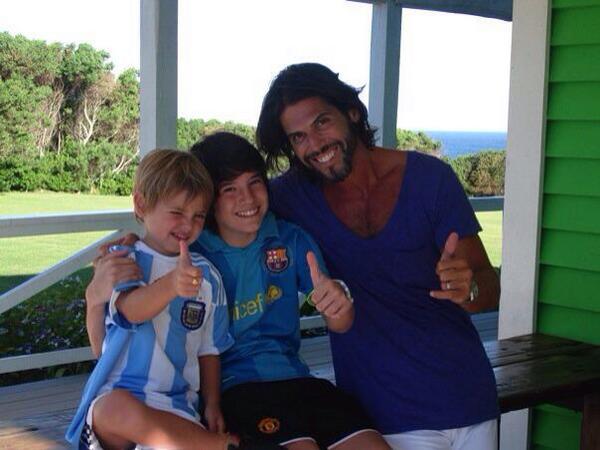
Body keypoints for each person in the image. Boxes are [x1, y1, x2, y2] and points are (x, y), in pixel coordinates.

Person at [85, 134, 391, 450]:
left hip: (294, 378)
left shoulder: (285, 241)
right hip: (237, 388)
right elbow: (155, 252)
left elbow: (340, 321)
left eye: (255, 182)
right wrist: (128, 253)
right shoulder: (191, 252)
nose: (247, 199)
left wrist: (339, 302)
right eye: (229, 189)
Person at [255, 63, 501, 450]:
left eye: (322, 122)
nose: (314, 144)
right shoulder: (291, 197)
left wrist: (467, 288)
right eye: (298, 137)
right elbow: (223, 205)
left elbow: (488, 285)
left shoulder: (430, 179)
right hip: (385, 416)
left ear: (352, 112)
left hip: (469, 398)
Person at [66, 149, 237, 450]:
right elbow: (130, 311)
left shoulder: (208, 277)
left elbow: (209, 350)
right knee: (113, 408)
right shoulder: (123, 259)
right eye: (177, 213)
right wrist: (172, 284)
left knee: (172, 435)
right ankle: (220, 446)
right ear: (142, 204)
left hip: (175, 405)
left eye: (198, 216)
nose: (188, 225)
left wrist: (212, 403)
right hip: (119, 399)